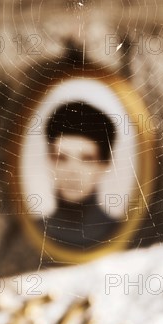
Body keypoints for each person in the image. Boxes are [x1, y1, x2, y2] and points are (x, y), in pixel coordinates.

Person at [39, 101, 119, 249]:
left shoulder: (123, 234)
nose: (73, 171)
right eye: (61, 158)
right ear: (49, 161)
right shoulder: (31, 233)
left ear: (104, 165)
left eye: (86, 159)